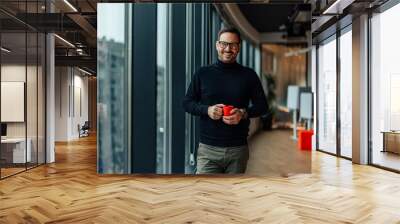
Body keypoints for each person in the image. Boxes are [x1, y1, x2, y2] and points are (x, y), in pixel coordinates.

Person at [182, 26, 268, 174]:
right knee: (205, 194)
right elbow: (187, 103)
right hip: (208, 151)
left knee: (231, 196)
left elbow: (263, 106)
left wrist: (243, 113)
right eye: (224, 44)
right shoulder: (203, 73)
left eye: (233, 45)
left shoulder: (249, 75)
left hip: (237, 151)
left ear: (239, 47)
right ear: (217, 45)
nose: (228, 49)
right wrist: (207, 110)